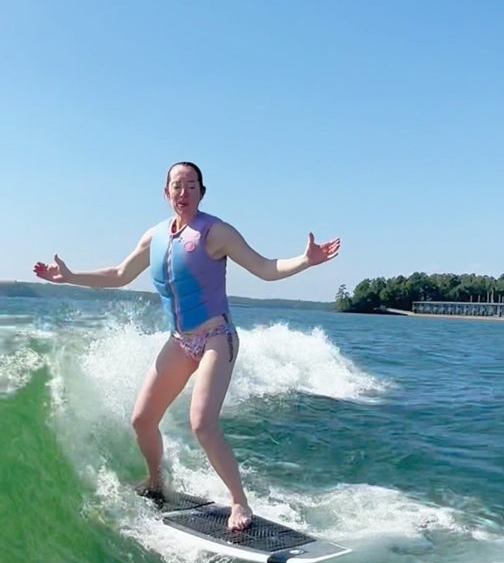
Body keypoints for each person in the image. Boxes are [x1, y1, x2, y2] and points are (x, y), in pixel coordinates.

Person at [34, 162, 341, 532]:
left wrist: (306, 260)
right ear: (166, 193)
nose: (184, 192)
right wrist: (69, 277)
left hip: (217, 336)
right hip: (180, 341)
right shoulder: (155, 236)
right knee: (142, 420)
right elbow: (118, 275)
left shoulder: (217, 232)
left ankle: (239, 502)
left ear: (201, 191)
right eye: (177, 186)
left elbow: (265, 268)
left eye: (191, 185)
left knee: (202, 423)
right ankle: (155, 480)